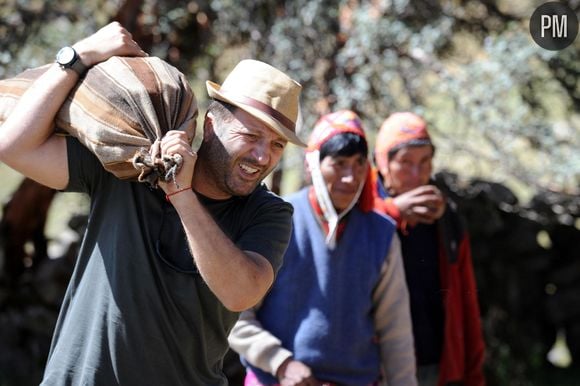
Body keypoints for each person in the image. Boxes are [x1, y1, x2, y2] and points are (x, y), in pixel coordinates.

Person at [0, 22, 305, 385]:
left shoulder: (269, 213)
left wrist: (181, 194)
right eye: (251, 135)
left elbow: (240, 292)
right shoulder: (129, 166)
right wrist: (78, 57)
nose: (262, 156)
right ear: (210, 125)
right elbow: (15, 147)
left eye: (276, 145)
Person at [228, 110, 417, 386]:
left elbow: (395, 331)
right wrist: (281, 363)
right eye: (339, 164)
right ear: (312, 166)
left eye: (358, 164)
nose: (351, 178)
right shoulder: (276, 221)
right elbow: (235, 313)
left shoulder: (381, 234)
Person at [372, 112, 486, 386]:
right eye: (405, 162)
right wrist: (393, 213)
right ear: (382, 162)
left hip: (434, 365)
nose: (417, 174)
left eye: (425, 162)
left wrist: (473, 374)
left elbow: (466, 299)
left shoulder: (445, 216)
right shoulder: (364, 211)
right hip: (376, 367)